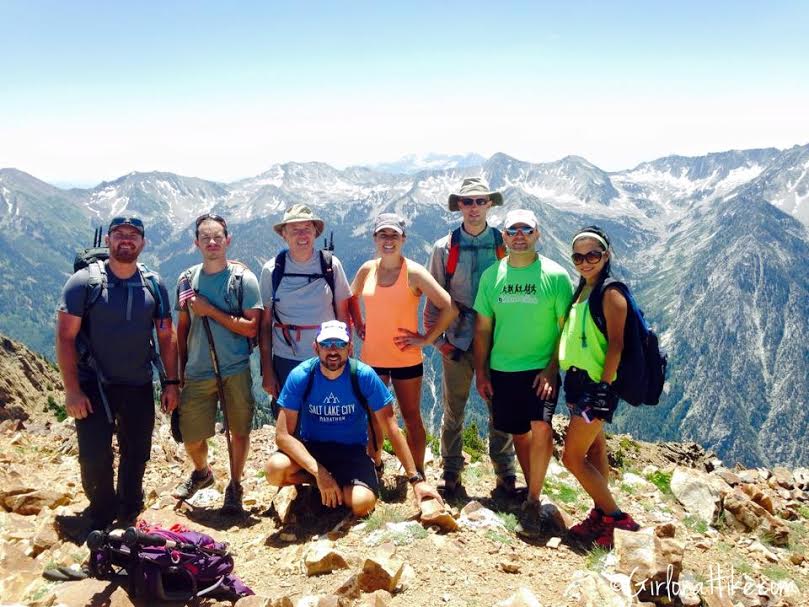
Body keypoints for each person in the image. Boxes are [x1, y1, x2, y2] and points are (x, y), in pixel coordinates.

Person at [56, 216, 179, 535]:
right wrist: (72, 390)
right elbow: (65, 337)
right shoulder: (83, 283)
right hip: (93, 384)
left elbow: (166, 336)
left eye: (133, 235)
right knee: (94, 455)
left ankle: (128, 511)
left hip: (138, 383)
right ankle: (100, 512)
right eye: (120, 234)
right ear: (108, 239)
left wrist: (171, 382)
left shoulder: (154, 284)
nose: (126, 240)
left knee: (136, 452)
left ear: (143, 243)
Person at [264, 321, 443, 515]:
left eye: (340, 344)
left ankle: (328, 490)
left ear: (350, 348)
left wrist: (416, 481)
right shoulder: (301, 376)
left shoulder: (363, 375)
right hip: (312, 449)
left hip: (351, 453)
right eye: (326, 344)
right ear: (316, 347)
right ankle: (323, 483)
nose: (333, 351)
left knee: (362, 504)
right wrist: (319, 472)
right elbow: (282, 436)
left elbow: (391, 428)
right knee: (274, 470)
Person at [473, 209, 573, 536]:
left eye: (526, 230)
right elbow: (484, 328)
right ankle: (535, 492)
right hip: (503, 369)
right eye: (512, 230)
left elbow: (565, 330)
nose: (519, 235)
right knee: (519, 433)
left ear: (537, 234)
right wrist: (482, 371)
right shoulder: (492, 277)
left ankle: (531, 500)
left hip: (540, 370)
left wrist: (551, 368)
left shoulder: (556, 277)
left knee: (541, 428)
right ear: (503, 236)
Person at [424, 177, 518, 497]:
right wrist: (440, 343)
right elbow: (433, 300)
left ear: (489, 203)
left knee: (500, 407)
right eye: (468, 202)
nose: (474, 207)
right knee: (454, 408)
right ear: (459, 206)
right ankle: (451, 469)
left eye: (480, 201)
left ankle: (505, 472)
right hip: (459, 341)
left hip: (495, 341)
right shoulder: (443, 248)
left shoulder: (503, 244)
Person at [350, 213, 458, 477]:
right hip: (372, 356)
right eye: (383, 235)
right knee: (373, 416)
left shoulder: (414, 273)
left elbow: (450, 307)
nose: (388, 241)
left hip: (406, 357)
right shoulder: (367, 270)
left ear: (403, 239)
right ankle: (374, 465)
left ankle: (417, 471)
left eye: (394, 235)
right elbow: (351, 297)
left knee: (411, 418)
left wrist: (427, 339)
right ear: (375, 238)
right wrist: (358, 323)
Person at [171, 213, 263, 514]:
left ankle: (235, 485)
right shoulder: (186, 280)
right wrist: (179, 371)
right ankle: (202, 472)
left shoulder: (243, 280)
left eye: (218, 237)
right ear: (196, 243)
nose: (212, 242)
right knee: (191, 435)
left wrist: (210, 311)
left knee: (239, 431)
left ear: (228, 240)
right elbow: (181, 327)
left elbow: (252, 327)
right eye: (206, 237)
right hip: (197, 369)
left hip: (234, 367)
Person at [559, 226, 640, 547]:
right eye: (578, 256)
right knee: (594, 449)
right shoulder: (583, 289)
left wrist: (604, 391)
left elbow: (617, 346)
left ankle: (618, 519)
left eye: (593, 254)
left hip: (595, 388)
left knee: (571, 458)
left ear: (606, 255)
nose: (585, 261)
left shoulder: (610, 293)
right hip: (579, 383)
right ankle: (601, 513)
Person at [259, 204, 352, 407]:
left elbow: (344, 316)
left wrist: (348, 357)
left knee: (328, 415)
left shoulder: (331, 265)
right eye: (295, 230)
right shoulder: (271, 270)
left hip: (329, 354)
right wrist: (267, 370)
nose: (302, 235)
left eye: (307, 229)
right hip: (285, 358)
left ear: (315, 233)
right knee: (289, 421)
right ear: (284, 234)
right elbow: (264, 325)